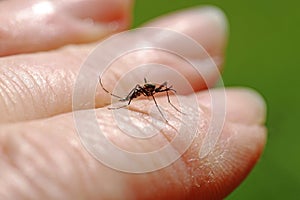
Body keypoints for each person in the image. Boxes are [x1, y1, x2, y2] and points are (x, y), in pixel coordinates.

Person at [0, 0, 266, 199]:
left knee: (165, 92)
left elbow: (158, 89)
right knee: (143, 93)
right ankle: (127, 101)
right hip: (141, 90)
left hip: (151, 89)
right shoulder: (142, 90)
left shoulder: (157, 89)